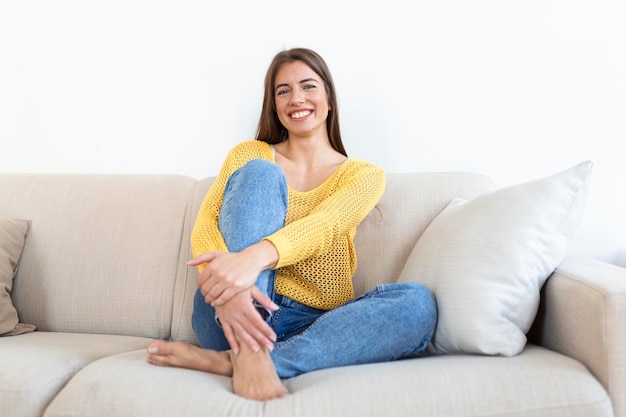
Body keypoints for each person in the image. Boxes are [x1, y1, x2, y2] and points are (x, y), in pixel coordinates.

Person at [146, 47, 437, 401]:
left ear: (329, 99)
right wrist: (232, 288)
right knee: (261, 174)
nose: (296, 98)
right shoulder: (250, 154)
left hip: (312, 325)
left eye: (308, 86)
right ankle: (246, 349)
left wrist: (252, 258)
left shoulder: (363, 175)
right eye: (283, 91)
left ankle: (234, 362)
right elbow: (206, 221)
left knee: (418, 304)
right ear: (274, 105)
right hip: (230, 311)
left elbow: (325, 225)